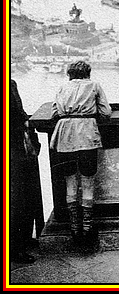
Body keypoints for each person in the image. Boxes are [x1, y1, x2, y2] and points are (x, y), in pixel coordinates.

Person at [50, 61, 112, 245]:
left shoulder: (62, 87)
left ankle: (74, 228)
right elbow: (106, 112)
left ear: (69, 74)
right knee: (88, 182)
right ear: (88, 73)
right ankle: (87, 227)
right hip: (87, 135)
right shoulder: (94, 86)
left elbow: (55, 112)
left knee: (70, 182)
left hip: (64, 136)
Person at [10, 79, 42, 264]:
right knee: (18, 201)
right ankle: (17, 247)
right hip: (13, 149)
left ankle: (19, 242)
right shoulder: (9, 83)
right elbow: (17, 114)